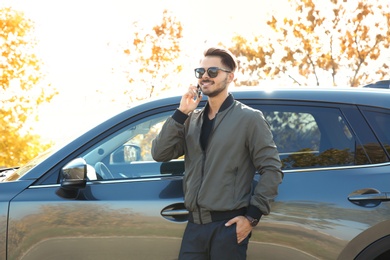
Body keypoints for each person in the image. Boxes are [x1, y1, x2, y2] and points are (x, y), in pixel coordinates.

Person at [152, 47, 283, 260]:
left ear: (229, 77)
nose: (205, 76)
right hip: (194, 228)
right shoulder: (191, 120)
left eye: (213, 71)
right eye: (200, 71)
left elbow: (272, 169)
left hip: (227, 228)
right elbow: (160, 153)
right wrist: (181, 113)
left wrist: (251, 218)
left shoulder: (249, 119)